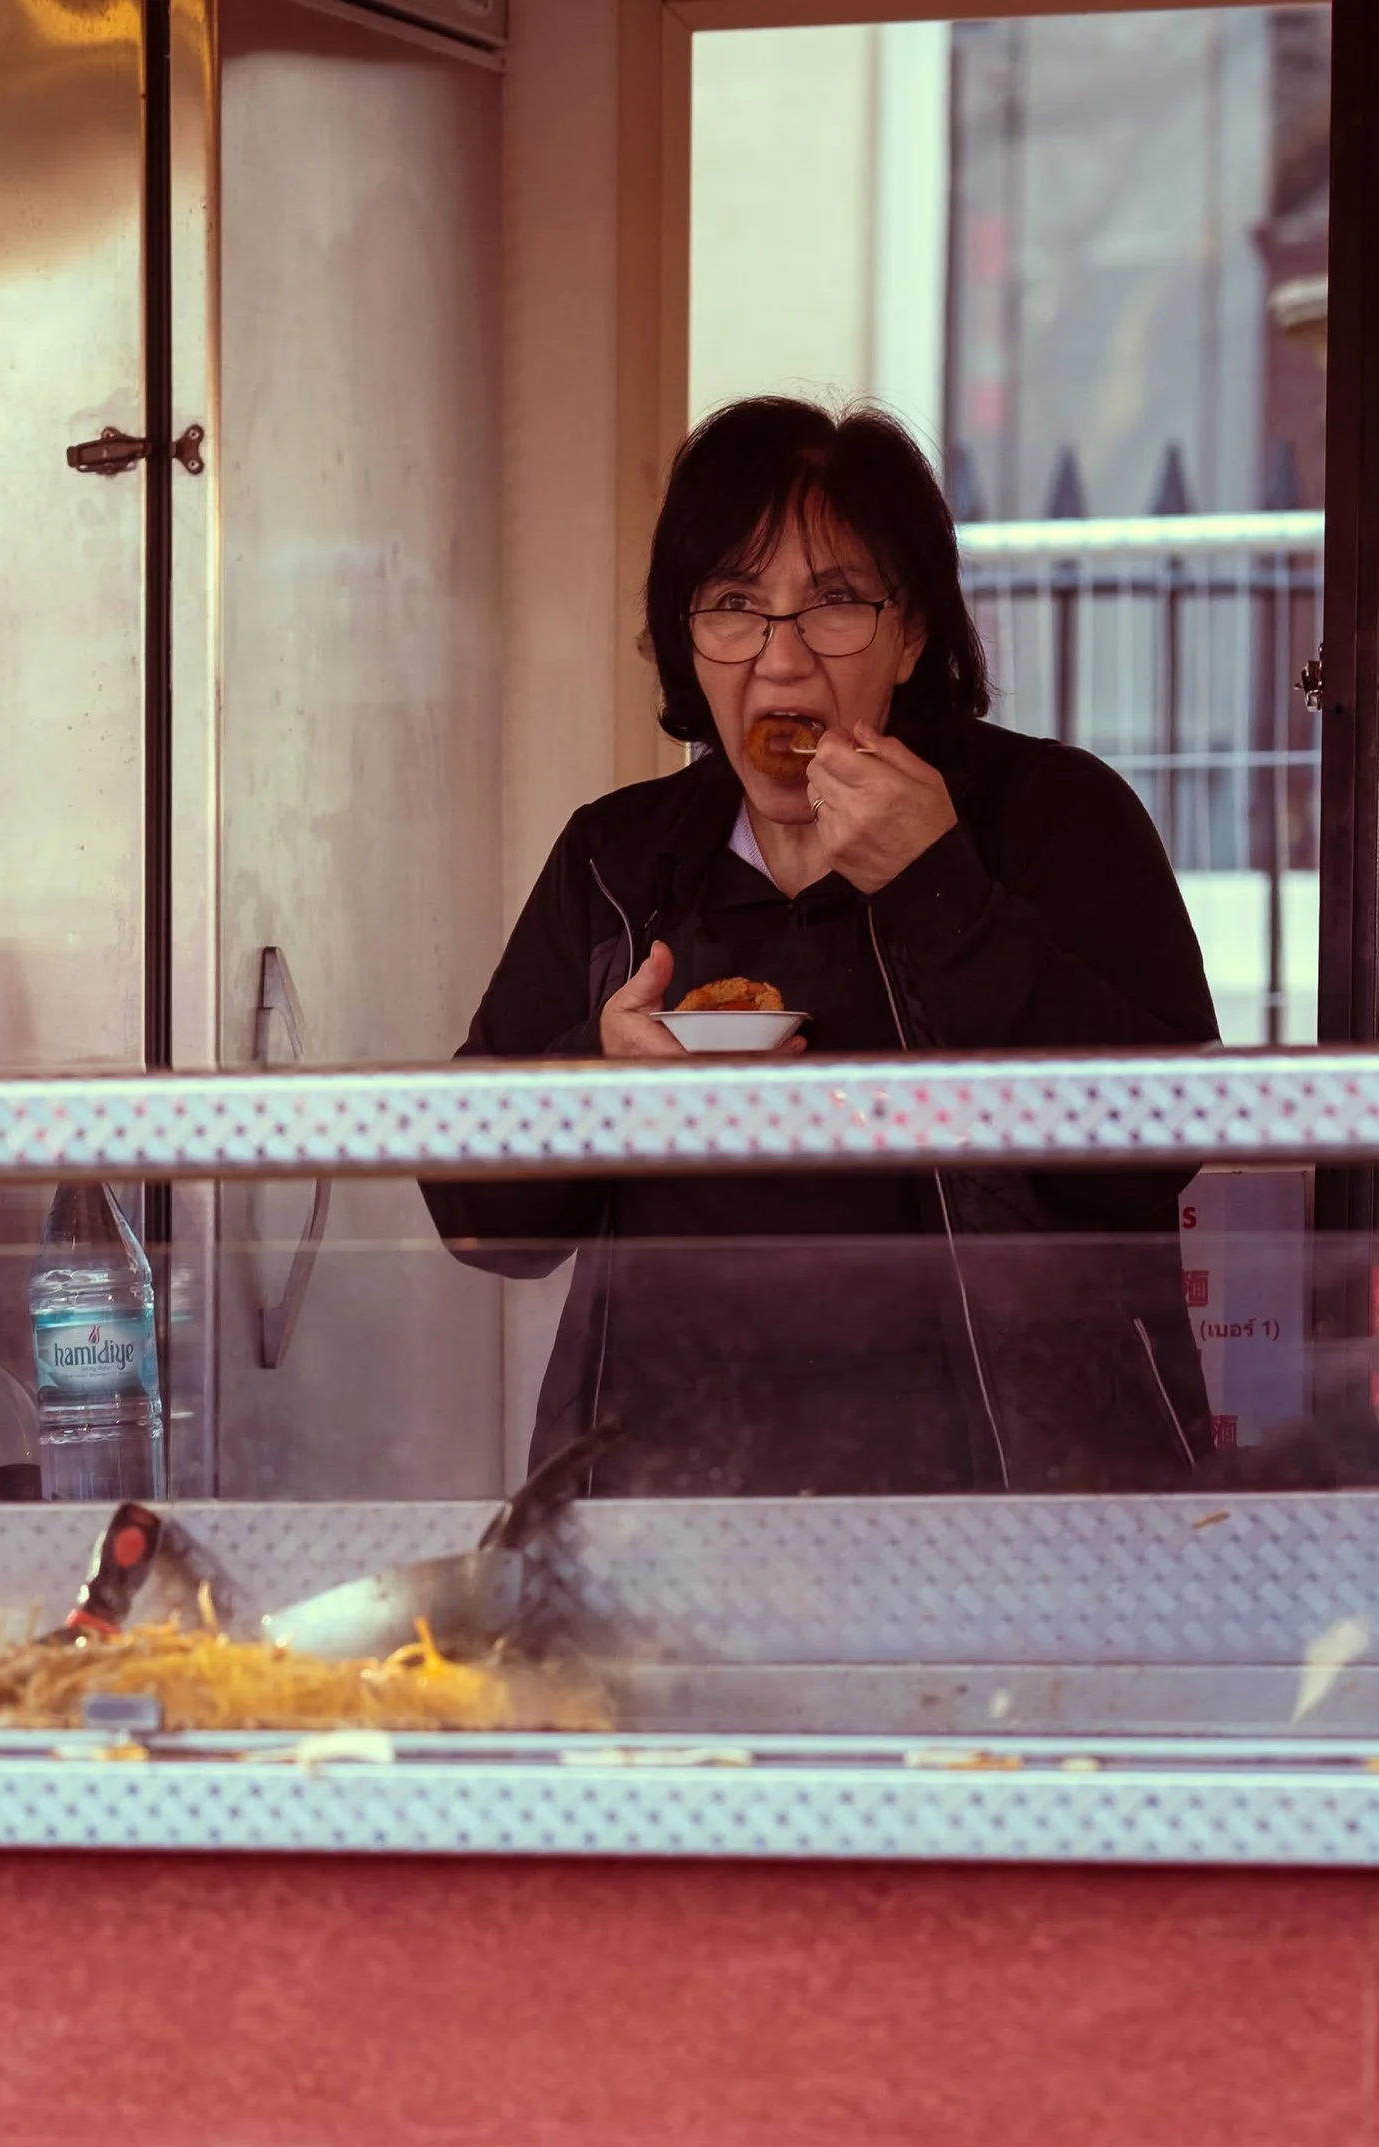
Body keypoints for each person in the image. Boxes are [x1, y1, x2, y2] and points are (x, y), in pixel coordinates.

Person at [428, 397, 1220, 1494]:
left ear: (911, 632)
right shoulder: (619, 863)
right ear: (685, 640)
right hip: (678, 1518)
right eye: (734, 607)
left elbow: (1159, 1138)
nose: (781, 659)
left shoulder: (1046, 819)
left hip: (1013, 1516)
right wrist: (597, 1079)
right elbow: (475, 1222)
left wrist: (937, 883)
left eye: (835, 603)